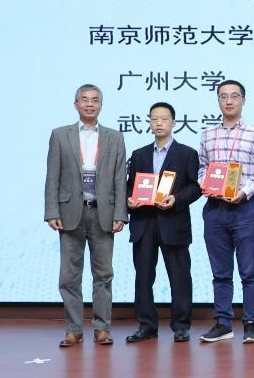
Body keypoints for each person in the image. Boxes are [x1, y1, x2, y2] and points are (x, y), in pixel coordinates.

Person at [45, 84, 127, 348]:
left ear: (101, 105)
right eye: (85, 100)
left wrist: (120, 213)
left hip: (103, 214)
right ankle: (73, 329)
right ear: (76, 105)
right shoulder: (60, 135)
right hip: (70, 213)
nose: (90, 104)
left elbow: (120, 178)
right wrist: (52, 211)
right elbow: (52, 176)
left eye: (95, 100)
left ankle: (102, 328)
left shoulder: (115, 137)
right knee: (69, 276)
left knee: (104, 274)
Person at [198, 79, 254, 344]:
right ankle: (223, 323)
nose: (228, 101)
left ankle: (251, 323)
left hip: (244, 209)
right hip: (215, 210)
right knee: (220, 273)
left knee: (249, 271)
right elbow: (201, 168)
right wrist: (205, 184)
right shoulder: (207, 135)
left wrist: (244, 191)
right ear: (218, 100)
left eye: (234, 96)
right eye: (223, 96)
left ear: (243, 100)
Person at [124, 102, 201, 344]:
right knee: (143, 277)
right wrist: (129, 200)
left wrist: (176, 199)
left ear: (174, 123)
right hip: (144, 223)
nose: (158, 123)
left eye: (164, 119)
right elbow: (129, 186)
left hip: (173, 222)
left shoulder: (187, 153)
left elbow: (195, 187)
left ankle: (181, 326)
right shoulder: (139, 154)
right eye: (154, 119)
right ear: (149, 123)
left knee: (179, 277)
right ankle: (146, 325)